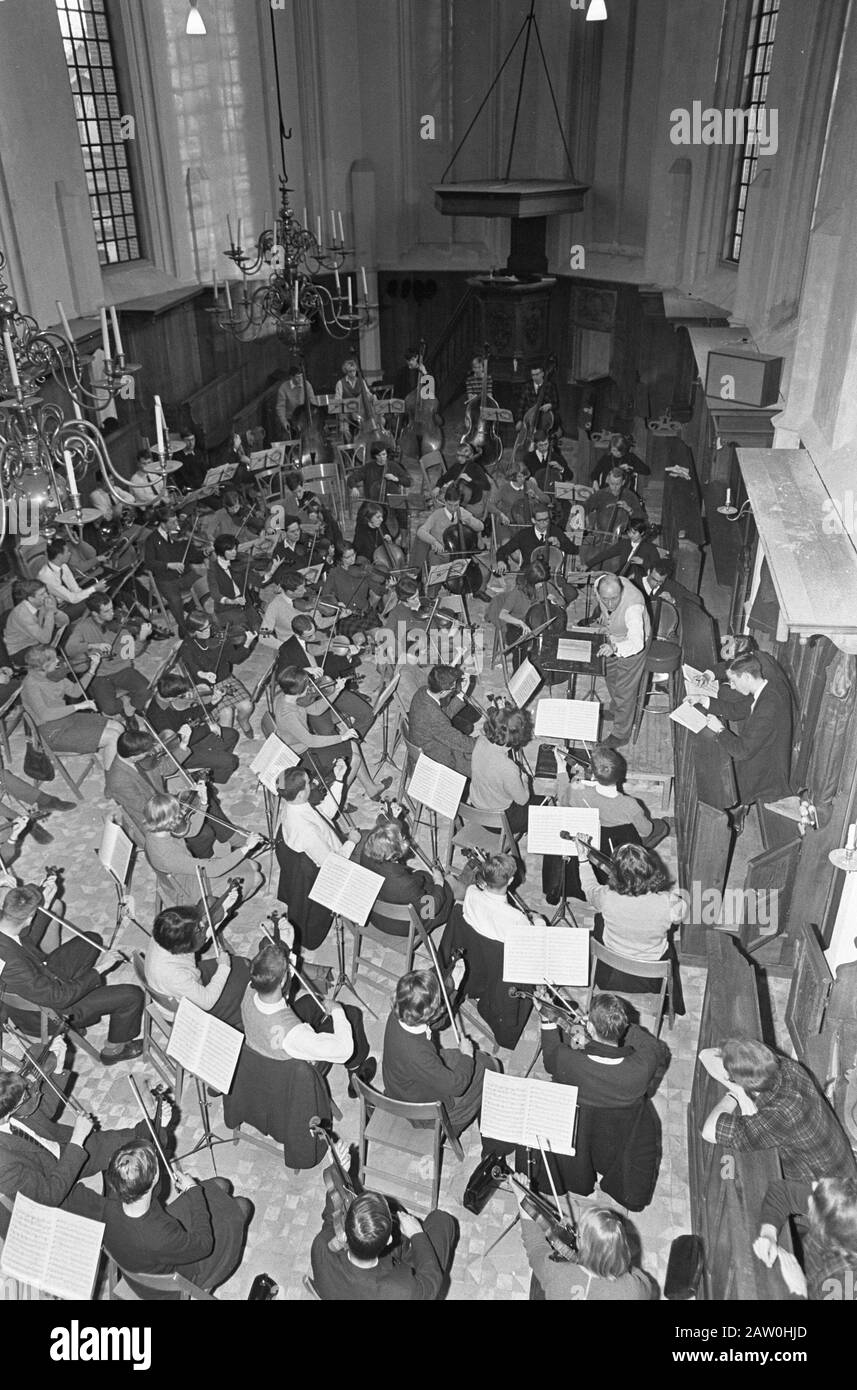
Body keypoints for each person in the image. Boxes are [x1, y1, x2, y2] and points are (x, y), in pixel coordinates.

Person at [531, 992, 669, 1209]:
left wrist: (547, 1020)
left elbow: (550, 1059)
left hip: (580, 1126)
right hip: (618, 1131)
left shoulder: (568, 1060)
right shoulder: (643, 1067)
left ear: (591, 1029)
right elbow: (651, 1045)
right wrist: (618, 1025)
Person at [0, 1070, 167, 1229]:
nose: (30, 1093)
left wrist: (57, 1070)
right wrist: (77, 1140)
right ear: (7, 1112)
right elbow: (49, 1195)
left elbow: (40, 1110)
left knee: (139, 1139)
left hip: (61, 1148)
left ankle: (158, 1131)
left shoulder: (7, 1109)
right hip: (57, 1185)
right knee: (117, 1215)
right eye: (24, 1097)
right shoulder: (3, 1165)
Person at [0, 882, 144, 1064]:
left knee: (91, 941)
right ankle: (114, 1050)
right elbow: (59, 997)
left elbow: (26, 937)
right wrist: (99, 969)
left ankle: (85, 989)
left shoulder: (5, 926)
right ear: (29, 918)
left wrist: (44, 904)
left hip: (41, 977)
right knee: (132, 995)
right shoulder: (14, 965)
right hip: (49, 1012)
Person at [103, 1140, 252, 1295]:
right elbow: (205, 1244)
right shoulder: (160, 1236)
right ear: (155, 1178)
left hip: (146, 1259)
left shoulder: (107, 1207)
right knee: (242, 1205)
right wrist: (193, 1191)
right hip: (180, 1276)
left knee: (221, 1184)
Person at [700, 1038, 857, 1182]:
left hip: (827, 1191)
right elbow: (704, 1055)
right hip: (844, 1166)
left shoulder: (781, 1115)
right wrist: (740, 1090)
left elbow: (708, 1131)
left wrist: (733, 1096)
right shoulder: (785, 1066)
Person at [241, 939, 375, 1097]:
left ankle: (354, 1071)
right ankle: (355, 1075)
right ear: (284, 980)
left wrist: (287, 943)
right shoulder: (294, 1034)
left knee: (311, 1001)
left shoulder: (251, 988)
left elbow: (276, 975)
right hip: (293, 1071)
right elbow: (344, 1050)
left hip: (264, 1042)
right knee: (352, 1015)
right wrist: (338, 1011)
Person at [382, 969, 500, 1136]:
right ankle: (452, 1127)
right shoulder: (417, 1055)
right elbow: (456, 1086)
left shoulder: (402, 1009)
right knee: (489, 1067)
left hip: (404, 1079)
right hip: (419, 1105)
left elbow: (436, 1022)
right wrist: (467, 1055)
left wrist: (454, 987)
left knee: (483, 1061)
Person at [577, 836, 686, 1011]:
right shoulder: (669, 902)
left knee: (599, 919)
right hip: (651, 975)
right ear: (650, 869)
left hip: (610, 969)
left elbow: (589, 889)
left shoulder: (606, 896)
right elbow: (680, 916)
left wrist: (583, 860)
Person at [696, 653, 793, 835]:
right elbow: (737, 710)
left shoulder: (768, 706)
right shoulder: (764, 686)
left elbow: (742, 751)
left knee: (721, 772)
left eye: (733, 681)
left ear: (747, 677)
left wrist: (720, 730)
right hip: (760, 746)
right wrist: (705, 700)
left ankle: (735, 810)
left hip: (767, 765)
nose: (731, 686)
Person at [311, 1184, 458, 1300]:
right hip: (393, 1278)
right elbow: (431, 1281)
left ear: (345, 1231)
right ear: (388, 1241)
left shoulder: (321, 1247)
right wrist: (417, 1235)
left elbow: (331, 1220)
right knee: (441, 1220)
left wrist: (340, 1173)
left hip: (343, 1289)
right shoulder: (402, 1290)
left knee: (394, 1211)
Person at [273, 665, 383, 799]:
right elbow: (311, 740)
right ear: (298, 691)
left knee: (353, 745)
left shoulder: (284, 697)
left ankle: (371, 788)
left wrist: (336, 691)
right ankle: (335, 799)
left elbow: (315, 710)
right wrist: (341, 737)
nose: (310, 687)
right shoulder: (288, 714)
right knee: (355, 759)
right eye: (307, 685)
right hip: (302, 755)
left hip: (303, 747)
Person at [518, 1201, 656, 1301]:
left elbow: (535, 1247)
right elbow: (647, 1287)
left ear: (580, 1242)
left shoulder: (555, 1269)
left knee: (541, 1271)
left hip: (557, 1284)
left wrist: (521, 1198)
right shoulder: (632, 1289)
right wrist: (627, 1270)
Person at [142, 793, 264, 906]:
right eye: (179, 813)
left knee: (253, 865)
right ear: (171, 821)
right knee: (257, 878)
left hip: (189, 871)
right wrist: (245, 848)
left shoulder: (156, 828)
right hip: (191, 887)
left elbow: (192, 830)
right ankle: (224, 909)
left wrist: (204, 803)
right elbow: (214, 869)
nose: (182, 814)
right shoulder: (167, 856)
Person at [144, 901, 250, 1030]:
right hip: (190, 1012)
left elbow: (199, 938)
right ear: (185, 943)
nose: (202, 927)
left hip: (188, 982)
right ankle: (239, 1020)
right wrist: (224, 967)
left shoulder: (164, 935)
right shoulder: (175, 975)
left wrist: (225, 907)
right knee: (248, 988)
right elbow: (207, 1001)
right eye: (198, 930)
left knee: (242, 964)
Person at [754, 1174, 857, 1301]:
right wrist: (769, 1233)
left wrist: (801, 1292)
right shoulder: (842, 1206)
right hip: (806, 1265)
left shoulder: (845, 1286)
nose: (809, 1198)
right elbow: (783, 1192)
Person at [21, 644, 123, 767]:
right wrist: (79, 706)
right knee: (112, 737)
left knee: (118, 727)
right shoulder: (31, 685)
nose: (59, 660)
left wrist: (92, 670)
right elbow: (45, 714)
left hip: (66, 718)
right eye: (54, 659)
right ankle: (113, 780)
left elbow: (75, 691)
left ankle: (116, 765)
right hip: (50, 731)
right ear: (44, 666)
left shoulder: (54, 673)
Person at [357, 818, 453, 936]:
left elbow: (392, 826)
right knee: (449, 885)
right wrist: (439, 882)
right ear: (393, 854)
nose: (404, 838)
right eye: (402, 839)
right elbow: (429, 911)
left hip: (377, 918)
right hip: (403, 925)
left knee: (424, 877)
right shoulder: (405, 884)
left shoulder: (366, 853)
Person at [144, 673, 240, 784]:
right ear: (171, 697)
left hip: (185, 738)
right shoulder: (159, 717)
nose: (184, 696)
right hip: (181, 751)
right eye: (180, 695)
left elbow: (183, 715)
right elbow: (181, 740)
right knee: (231, 761)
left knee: (232, 734)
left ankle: (212, 764)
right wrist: (207, 728)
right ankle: (212, 780)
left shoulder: (163, 701)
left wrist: (211, 703)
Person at [65, 594, 152, 716]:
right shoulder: (83, 627)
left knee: (146, 690)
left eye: (112, 608)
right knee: (109, 709)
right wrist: (93, 645)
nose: (112, 613)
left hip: (122, 668)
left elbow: (130, 653)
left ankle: (130, 708)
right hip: (98, 674)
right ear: (95, 613)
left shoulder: (120, 625)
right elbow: (70, 649)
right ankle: (124, 701)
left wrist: (141, 639)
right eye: (107, 611)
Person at [592, 573, 651, 748]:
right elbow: (605, 603)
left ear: (622, 590)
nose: (610, 604)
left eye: (614, 599)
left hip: (633, 645)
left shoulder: (633, 606)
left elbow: (636, 643)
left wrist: (616, 648)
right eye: (605, 599)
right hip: (614, 638)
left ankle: (621, 734)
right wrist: (605, 615)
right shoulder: (599, 583)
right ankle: (616, 709)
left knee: (625, 689)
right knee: (610, 676)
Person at [178, 611, 255, 739]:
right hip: (205, 686)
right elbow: (194, 668)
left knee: (248, 706)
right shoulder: (187, 646)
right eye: (204, 629)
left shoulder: (220, 637)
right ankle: (226, 741)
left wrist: (247, 644)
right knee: (226, 712)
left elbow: (235, 658)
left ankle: (243, 721)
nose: (209, 630)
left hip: (225, 679)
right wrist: (205, 675)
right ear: (194, 631)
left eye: (209, 626)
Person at [468, 704, 533, 836]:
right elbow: (523, 800)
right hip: (498, 822)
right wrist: (525, 779)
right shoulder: (508, 768)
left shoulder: (480, 740)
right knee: (543, 805)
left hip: (477, 807)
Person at [142, 506, 206, 628]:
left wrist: (205, 553)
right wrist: (168, 565)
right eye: (172, 522)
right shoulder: (152, 540)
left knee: (204, 583)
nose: (176, 524)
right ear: (163, 524)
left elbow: (194, 557)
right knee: (175, 600)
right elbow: (149, 563)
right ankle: (183, 628)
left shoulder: (179, 536)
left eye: (176, 520)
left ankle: (202, 615)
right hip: (166, 579)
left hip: (185, 574)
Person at [407, 664, 476, 776]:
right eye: (453, 688)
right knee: (483, 767)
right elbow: (461, 743)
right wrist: (483, 742)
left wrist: (460, 695)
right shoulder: (434, 717)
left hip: (426, 745)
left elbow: (443, 715)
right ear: (443, 692)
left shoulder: (422, 691)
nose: (455, 690)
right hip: (438, 761)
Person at [494, 502, 575, 574]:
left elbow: (573, 549)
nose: (544, 523)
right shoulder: (524, 534)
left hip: (551, 575)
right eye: (540, 520)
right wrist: (501, 561)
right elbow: (502, 550)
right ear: (533, 520)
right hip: (528, 573)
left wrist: (559, 544)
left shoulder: (556, 531)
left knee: (570, 591)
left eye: (546, 519)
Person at [206, 534, 260, 640]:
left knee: (259, 629)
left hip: (244, 602)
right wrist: (232, 601)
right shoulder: (213, 569)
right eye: (230, 550)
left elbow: (259, 581)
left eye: (235, 549)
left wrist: (272, 570)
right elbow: (215, 594)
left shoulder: (238, 564)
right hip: (226, 608)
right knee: (244, 635)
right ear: (221, 552)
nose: (235, 552)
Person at [37, 537, 106, 619]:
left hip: (66, 601)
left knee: (96, 598)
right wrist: (94, 589)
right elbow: (72, 599)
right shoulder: (46, 576)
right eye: (67, 552)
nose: (70, 553)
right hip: (56, 611)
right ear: (59, 556)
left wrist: (91, 592)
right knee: (94, 604)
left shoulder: (63, 566)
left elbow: (75, 589)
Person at [4, 579, 69, 657]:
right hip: (20, 649)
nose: (46, 596)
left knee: (69, 633)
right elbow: (45, 639)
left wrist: (55, 610)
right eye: (42, 594)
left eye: (46, 592)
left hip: (37, 640)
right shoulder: (22, 614)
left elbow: (65, 622)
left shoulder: (39, 603)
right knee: (54, 652)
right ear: (31, 599)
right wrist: (50, 612)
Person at [588, 518, 660, 577]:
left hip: (639, 581)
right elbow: (606, 554)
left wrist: (643, 562)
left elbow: (658, 568)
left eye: (634, 533)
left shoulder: (651, 548)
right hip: (622, 576)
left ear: (642, 533)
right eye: (629, 532)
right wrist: (587, 564)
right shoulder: (624, 543)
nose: (630, 535)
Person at [259, 573, 309, 646]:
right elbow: (263, 636)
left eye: (304, 587)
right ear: (290, 592)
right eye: (300, 590)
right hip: (294, 643)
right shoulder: (274, 606)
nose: (305, 591)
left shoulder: (303, 599)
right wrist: (283, 646)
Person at [516, 363, 562, 439]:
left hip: (544, 419)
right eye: (533, 375)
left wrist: (550, 405)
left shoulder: (550, 386)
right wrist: (520, 420)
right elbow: (521, 406)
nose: (535, 377)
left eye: (537, 374)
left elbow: (556, 404)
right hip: (529, 422)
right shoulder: (527, 386)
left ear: (543, 374)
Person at [276, 361, 318, 437]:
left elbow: (313, 401)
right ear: (291, 377)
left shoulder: (307, 385)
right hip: (290, 419)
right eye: (297, 377)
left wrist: (314, 417)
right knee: (288, 439)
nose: (300, 379)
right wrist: (284, 422)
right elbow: (280, 407)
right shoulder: (283, 388)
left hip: (305, 418)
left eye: (301, 376)